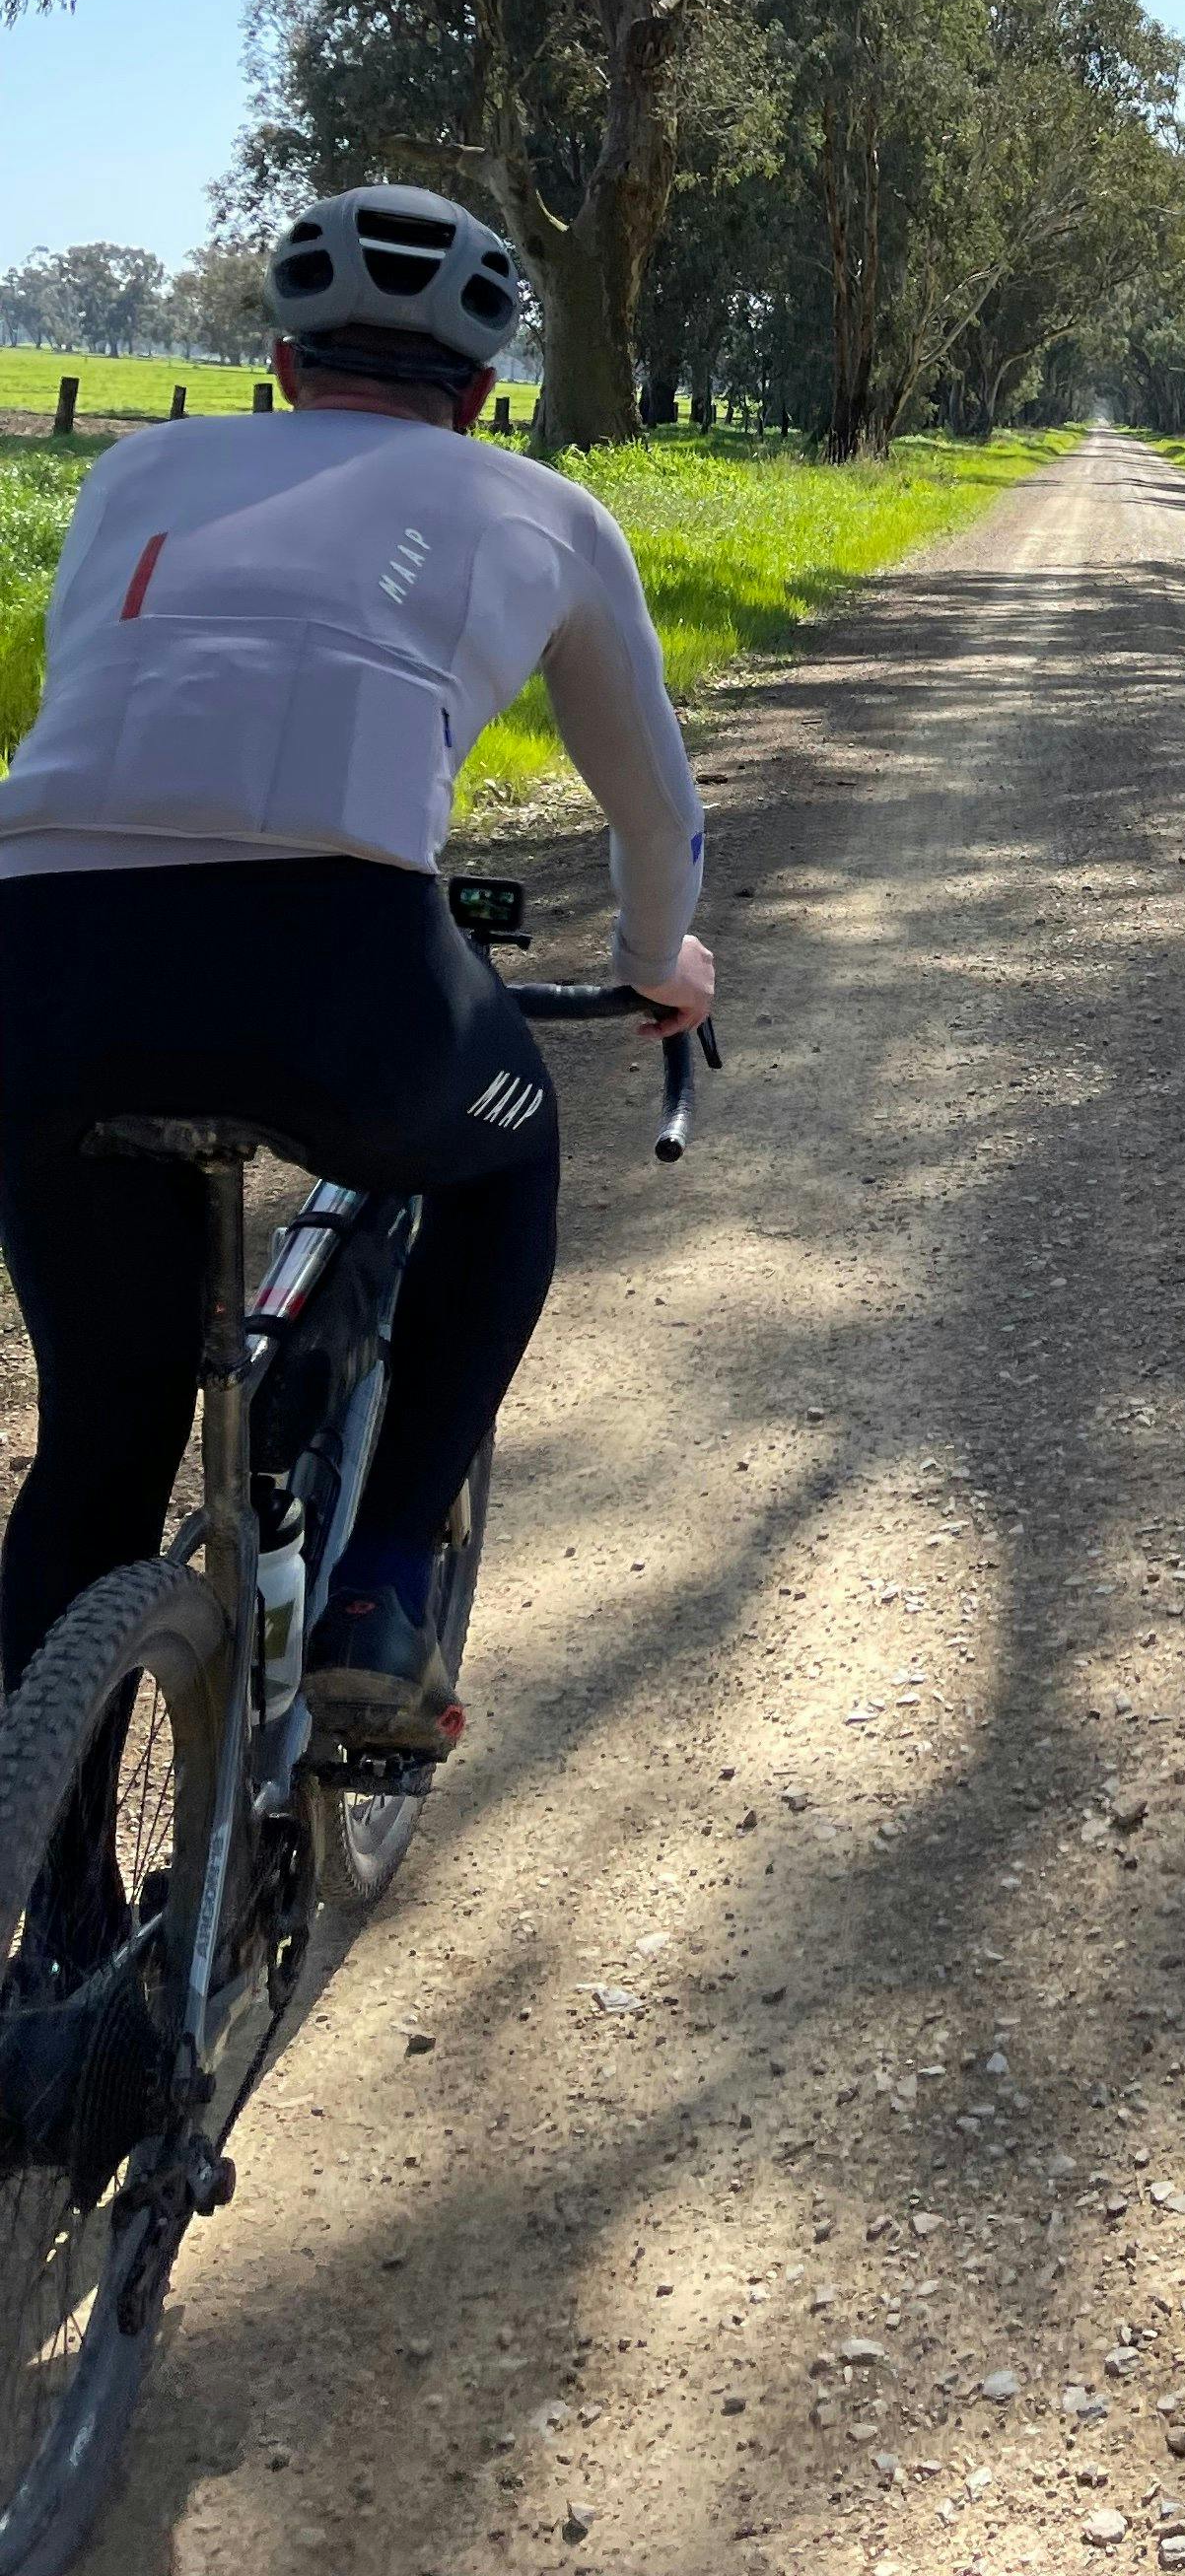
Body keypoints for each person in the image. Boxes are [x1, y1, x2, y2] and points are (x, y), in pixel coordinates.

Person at [0, 186, 713, 1750]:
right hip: (331, 958)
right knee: (507, 1151)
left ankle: (44, 1875)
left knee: (100, 1439)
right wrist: (658, 960)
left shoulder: (135, 474)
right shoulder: (542, 509)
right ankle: (384, 1589)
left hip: (38, 955)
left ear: (279, 365)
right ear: (482, 395)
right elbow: (655, 810)